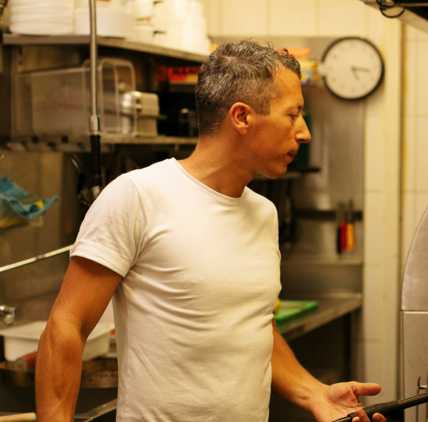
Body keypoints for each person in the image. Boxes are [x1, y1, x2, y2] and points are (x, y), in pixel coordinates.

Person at [35, 40, 387, 422]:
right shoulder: (137, 196)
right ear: (241, 117)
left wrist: (313, 392)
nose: (304, 133)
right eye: (293, 115)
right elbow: (67, 325)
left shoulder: (263, 213)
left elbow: (249, 327)